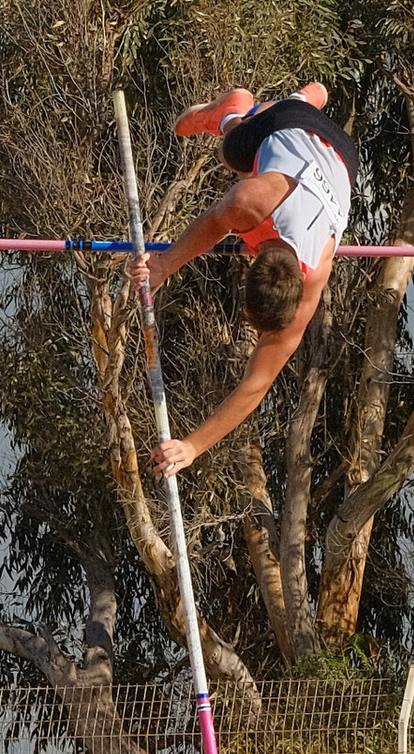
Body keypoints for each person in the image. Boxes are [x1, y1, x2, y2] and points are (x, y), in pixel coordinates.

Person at [145, 83, 359, 476]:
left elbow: (257, 383)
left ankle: (303, 97)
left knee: (265, 163)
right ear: (247, 273)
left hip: (345, 157)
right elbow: (213, 220)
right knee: (235, 154)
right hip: (298, 132)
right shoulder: (254, 202)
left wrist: (193, 446)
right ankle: (231, 110)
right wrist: (163, 265)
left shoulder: (313, 277)